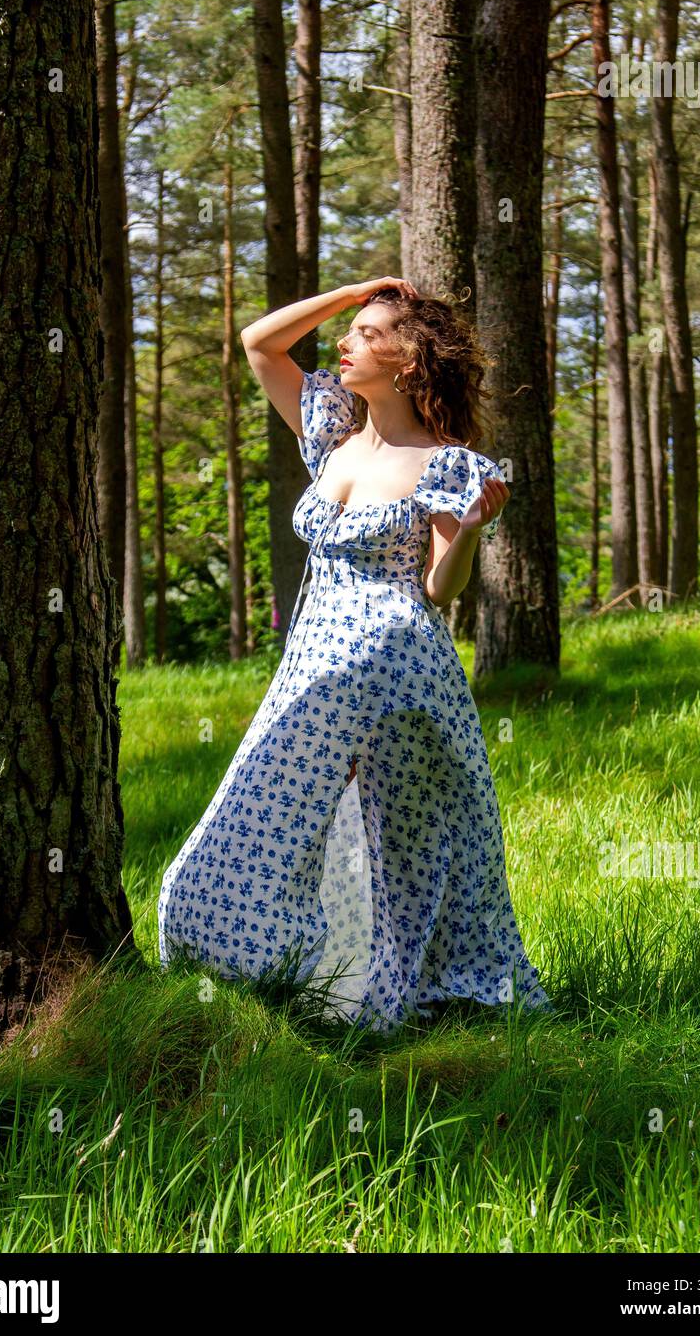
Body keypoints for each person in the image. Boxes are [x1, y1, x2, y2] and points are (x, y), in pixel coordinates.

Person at [157, 278, 553, 1032]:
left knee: (404, 839)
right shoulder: (330, 430)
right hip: (315, 665)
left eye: (368, 333)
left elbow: (438, 588)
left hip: (396, 666)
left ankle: (406, 997)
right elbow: (258, 343)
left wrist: (468, 526)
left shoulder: (448, 463)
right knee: (259, 814)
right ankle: (277, 976)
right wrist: (357, 292)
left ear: (408, 363)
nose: (346, 342)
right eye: (354, 329)